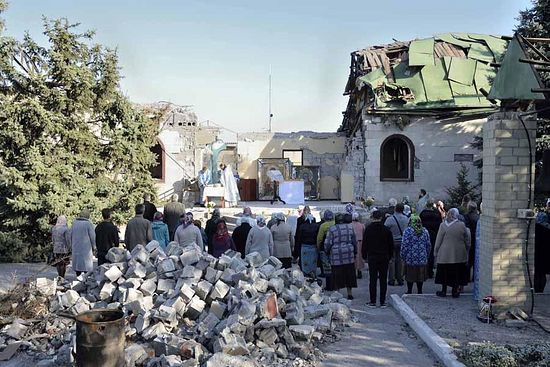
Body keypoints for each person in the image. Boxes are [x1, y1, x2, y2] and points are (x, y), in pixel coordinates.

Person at [434, 208, 471, 298]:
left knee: (444, 273)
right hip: (459, 253)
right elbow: (467, 239)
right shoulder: (461, 225)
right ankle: (455, 291)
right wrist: (467, 248)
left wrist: (436, 251)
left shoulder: (443, 225)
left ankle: (444, 291)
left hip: (445, 254)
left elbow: (438, 240)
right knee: (456, 273)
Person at [363, 210, 394, 308]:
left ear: (372, 217)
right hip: (384, 257)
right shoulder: (386, 230)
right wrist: (390, 256)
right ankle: (382, 301)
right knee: (383, 280)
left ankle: (372, 301)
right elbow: (391, 245)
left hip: (372, 257)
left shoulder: (368, 229)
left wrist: (364, 256)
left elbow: (365, 244)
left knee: (372, 279)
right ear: (381, 218)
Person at [325, 213, 357, 300]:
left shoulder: (332, 229)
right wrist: (355, 251)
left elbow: (328, 242)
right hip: (348, 253)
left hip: (336, 255)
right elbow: (354, 241)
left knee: (337, 274)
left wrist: (327, 251)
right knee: (349, 273)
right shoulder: (350, 228)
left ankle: (337, 293)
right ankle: (349, 293)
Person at [400, 214, 431, 294]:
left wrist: (403, 255)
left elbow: (404, 245)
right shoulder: (425, 231)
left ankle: (409, 290)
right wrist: (427, 254)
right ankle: (419, 290)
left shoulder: (408, 231)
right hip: (422, 257)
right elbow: (428, 244)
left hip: (411, 257)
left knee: (410, 275)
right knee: (420, 275)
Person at [384, 203, 410, 286]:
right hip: (402, 241)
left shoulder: (390, 219)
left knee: (392, 260)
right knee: (400, 260)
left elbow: (385, 229)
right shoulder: (406, 218)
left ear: (395, 209)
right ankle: (400, 278)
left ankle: (391, 279)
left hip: (393, 241)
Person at [420, 199, 442, 278]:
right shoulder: (436, 214)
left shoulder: (422, 213)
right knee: (431, 253)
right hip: (433, 235)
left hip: (423, 234)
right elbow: (439, 225)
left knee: (424, 252)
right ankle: (430, 271)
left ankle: (424, 271)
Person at [71, 209, 96, 276]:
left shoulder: (74, 223)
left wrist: (71, 245)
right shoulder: (88, 224)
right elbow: (92, 236)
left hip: (76, 247)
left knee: (77, 265)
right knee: (86, 266)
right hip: (86, 248)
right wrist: (94, 246)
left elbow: (70, 234)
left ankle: (78, 278)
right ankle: (86, 280)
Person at [297, 213, 320, 279]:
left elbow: (299, 238)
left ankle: (306, 276)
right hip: (313, 247)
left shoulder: (302, 226)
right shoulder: (316, 226)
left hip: (304, 247)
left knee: (305, 263)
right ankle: (313, 274)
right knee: (313, 262)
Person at [463, 201, 479, 281]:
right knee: (475, 259)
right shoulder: (478, 217)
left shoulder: (466, 217)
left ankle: (466, 277)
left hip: (469, 239)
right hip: (477, 239)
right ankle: (474, 277)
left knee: (468, 259)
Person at [351, 212, 365, 279]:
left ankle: (353, 272)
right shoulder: (362, 225)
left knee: (353, 257)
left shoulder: (350, 225)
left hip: (352, 242)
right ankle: (359, 271)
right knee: (359, 257)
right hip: (360, 242)